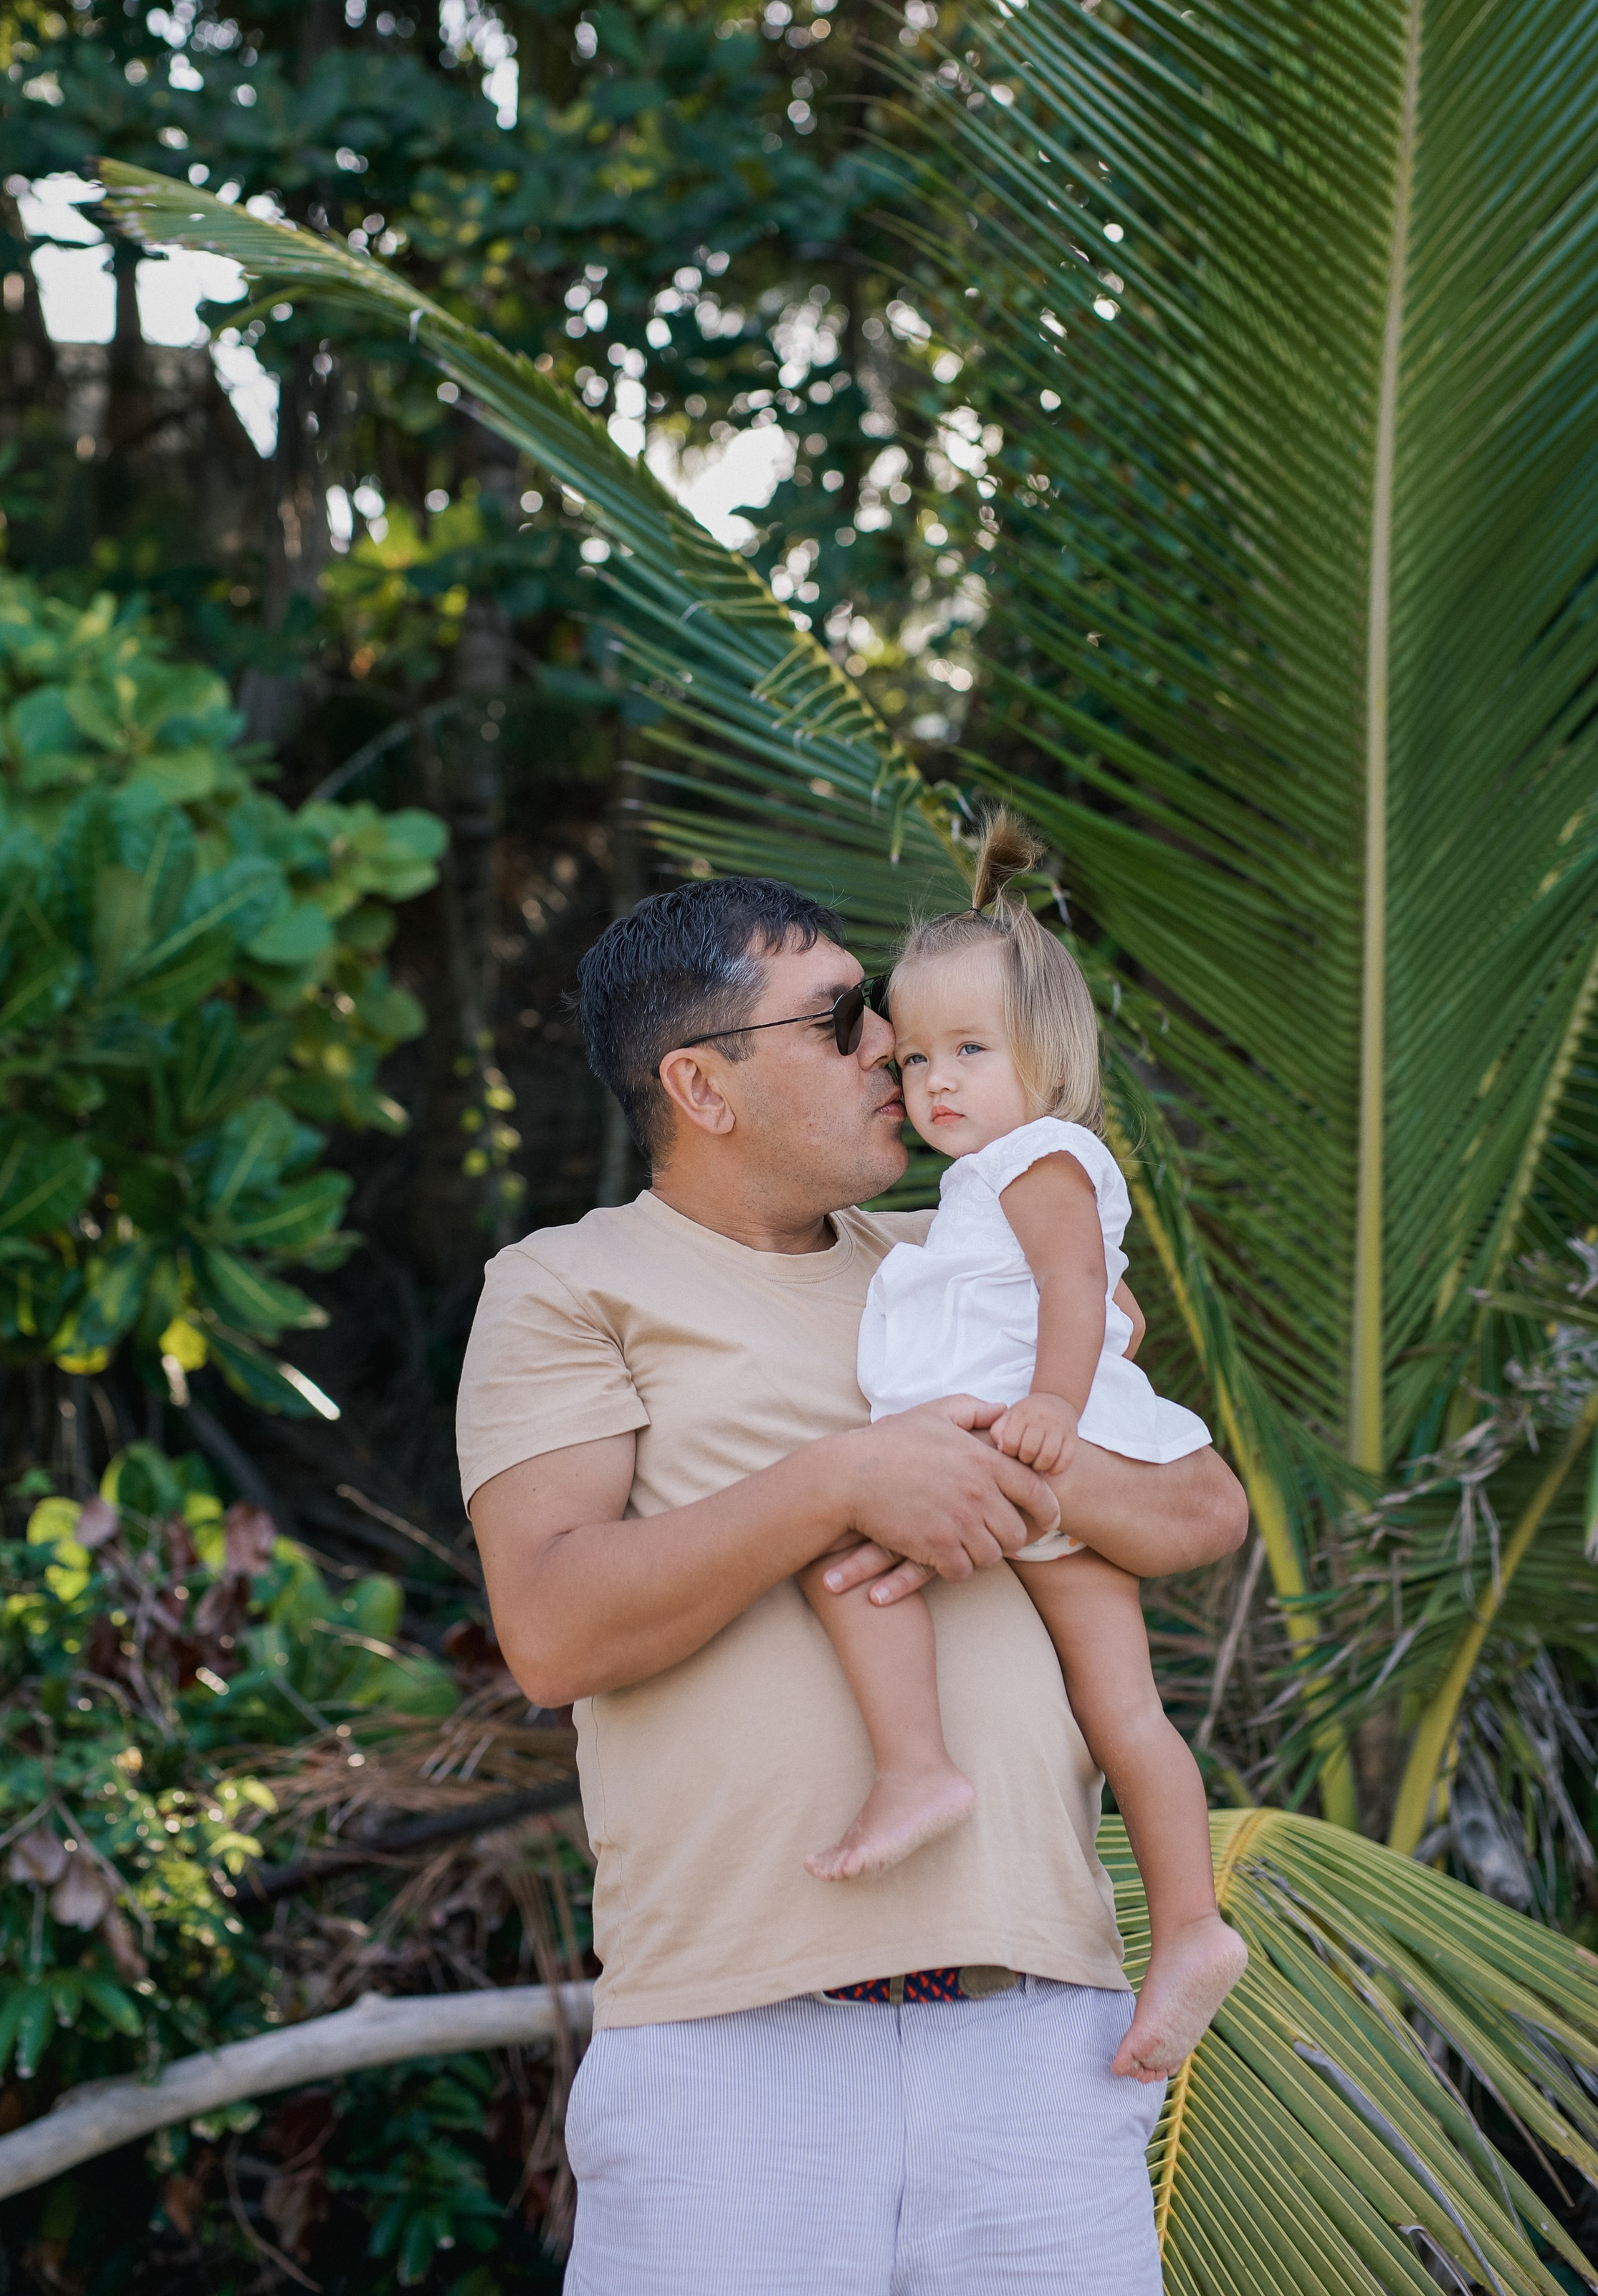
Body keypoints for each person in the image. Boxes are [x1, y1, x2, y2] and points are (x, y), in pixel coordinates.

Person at [459, 874, 1248, 2296]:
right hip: (731, 2046)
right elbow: (551, 1627)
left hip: (1036, 2033)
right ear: (701, 1083)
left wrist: (1011, 1482)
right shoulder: (567, 1285)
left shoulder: (963, 1258)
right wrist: (840, 1482)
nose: (890, 1044)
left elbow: (1198, 1508)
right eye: (839, 1020)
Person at [798, 813, 1247, 2084]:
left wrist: (1057, 1399)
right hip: (1026, 1473)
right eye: (917, 1053)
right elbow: (1089, 1292)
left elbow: (1067, 1291)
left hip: (1031, 1453)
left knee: (842, 1563)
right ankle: (1193, 1928)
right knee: (1122, 1713)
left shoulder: (1040, 1156)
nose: (935, 1081)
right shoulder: (969, 1186)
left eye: (971, 1052)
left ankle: (917, 1768)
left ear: (1046, 1059)